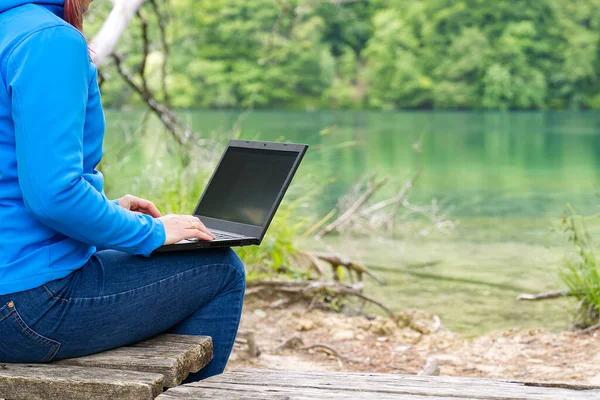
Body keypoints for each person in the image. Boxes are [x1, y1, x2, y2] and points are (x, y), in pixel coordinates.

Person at [0, 0, 245, 381]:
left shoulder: (10, 26)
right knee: (220, 268)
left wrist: (109, 211)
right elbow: (54, 196)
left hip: (11, 286)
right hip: (24, 308)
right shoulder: (48, 40)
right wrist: (153, 232)